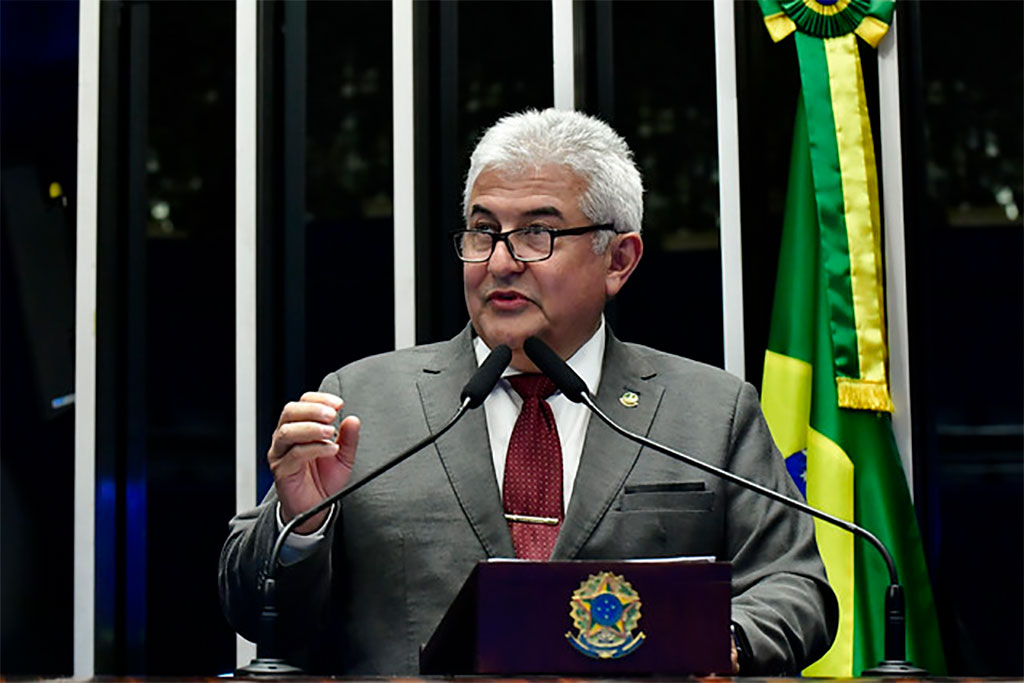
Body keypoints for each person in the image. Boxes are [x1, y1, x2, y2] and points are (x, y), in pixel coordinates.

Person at [219, 108, 838, 675]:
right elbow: (257, 612)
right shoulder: (364, 402)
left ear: (618, 259)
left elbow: (794, 586)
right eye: (483, 232)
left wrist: (716, 639)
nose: (501, 262)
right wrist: (300, 521)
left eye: (537, 234)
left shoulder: (710, 411)